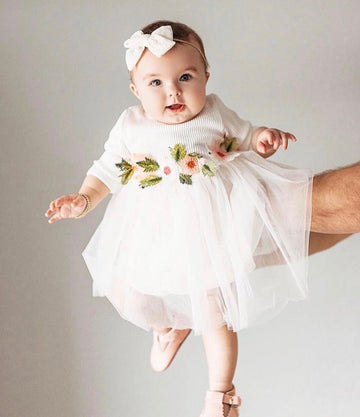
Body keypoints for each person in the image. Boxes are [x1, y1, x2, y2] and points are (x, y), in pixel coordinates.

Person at [45, 20, 351, 417]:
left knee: (215, 311)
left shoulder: (214, 113)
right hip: (152, 229)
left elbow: (246, 136)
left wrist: (263, 139)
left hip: (211, 226)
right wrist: (83, 199)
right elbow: (106, 171)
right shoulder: (131, 125)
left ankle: (219, 395)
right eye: (155, 82)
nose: (172, 90)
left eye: (185, 77)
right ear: (136, 90)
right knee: (129, 292)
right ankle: (167, 328)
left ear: (206, 77)